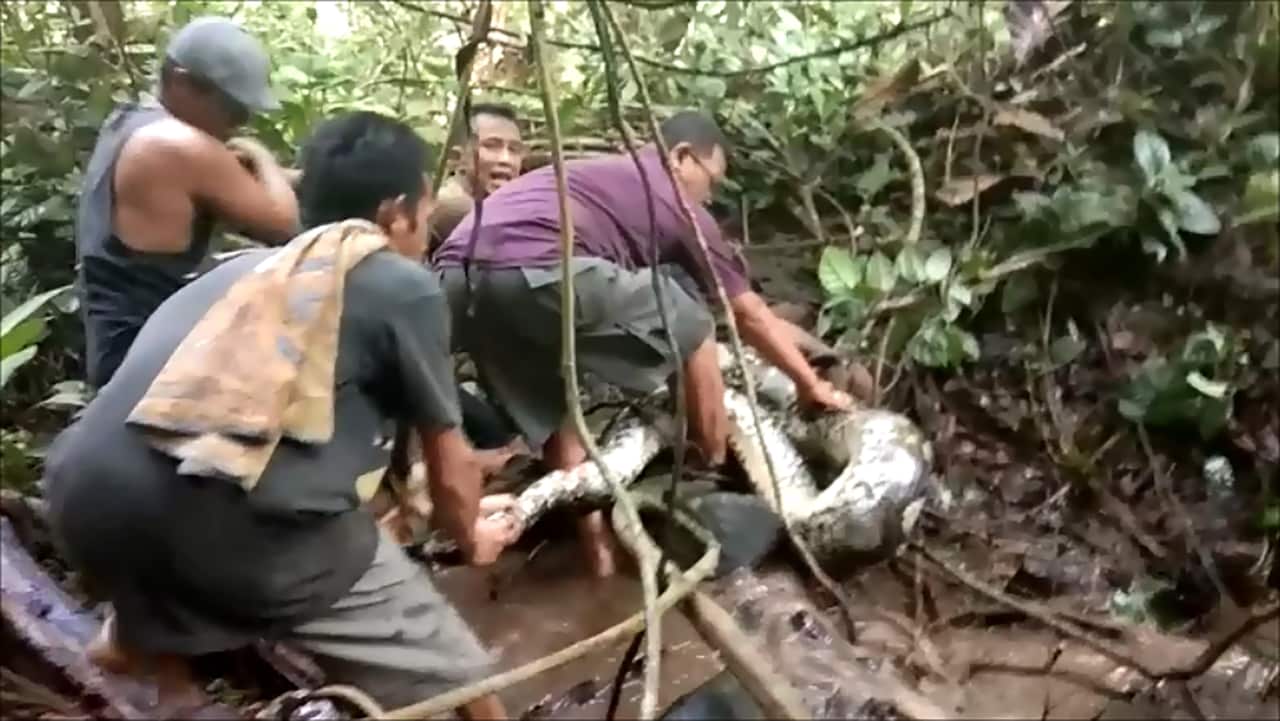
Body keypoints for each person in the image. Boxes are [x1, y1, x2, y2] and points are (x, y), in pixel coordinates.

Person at [44, 111, 516, 719]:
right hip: (222, 528)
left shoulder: (238, 271)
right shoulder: (400, 282)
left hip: (83, 500)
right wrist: (472, 535)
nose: (423, 236)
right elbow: (452, 474)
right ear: (395, 213)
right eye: (425, 218)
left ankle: (140, 655)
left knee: (175, 577)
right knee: (463, 680)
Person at [433, 110, 850, 579]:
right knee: (690, 317)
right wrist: (811, 385)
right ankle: (706, 462)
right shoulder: (672, 198)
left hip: (455, 282)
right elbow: (747, 313)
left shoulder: (596, 177)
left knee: (556, 421)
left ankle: (599, 563)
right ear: (681, 157)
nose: (708, 195)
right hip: (536, 268)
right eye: (711, 180)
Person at [75, 16, 299, 389]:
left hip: (123, 352)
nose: (238, 122)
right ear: (181, 82)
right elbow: (284, 224)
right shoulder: (177, 144)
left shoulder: (131, 123)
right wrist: (261, 157)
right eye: (232, 108)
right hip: (150, 362)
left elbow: (230, 183)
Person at [430, 101, 528, 248]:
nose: (506, 160)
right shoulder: (451, 204)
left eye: (514, 149)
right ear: (456, 157)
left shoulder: (495, 207)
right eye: (491, 146)